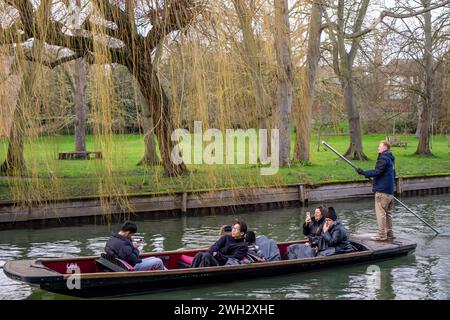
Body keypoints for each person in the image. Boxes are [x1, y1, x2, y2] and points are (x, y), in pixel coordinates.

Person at [356, 140, 396, 241]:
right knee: (388, 214)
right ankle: (389, 233)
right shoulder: (391, 159)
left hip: (382, 191)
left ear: (385, 148)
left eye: (380, 146)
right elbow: (392, 174)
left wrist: (364, 172)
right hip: (390, 191)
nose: (378, 148)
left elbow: (378, 171)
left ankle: (382, 235)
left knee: (381, 213)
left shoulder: (383, 157)